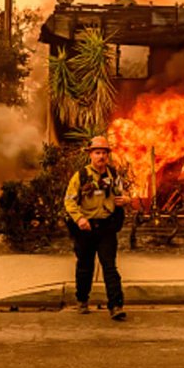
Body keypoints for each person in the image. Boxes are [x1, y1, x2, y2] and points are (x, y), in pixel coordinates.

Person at [63, 135, 130, 321]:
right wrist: (79, 219)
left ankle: (116, 306)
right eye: (97, 152)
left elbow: (122, 194)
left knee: (110, 267)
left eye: (104, 153)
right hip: (85, 229)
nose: (101, 156)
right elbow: (69, 202)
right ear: (90, 155)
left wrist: (126, 199)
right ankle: (82, 300)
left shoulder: (113, 176)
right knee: (85, 266)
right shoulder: (81, 176)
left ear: (108, 156)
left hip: (106, 227)